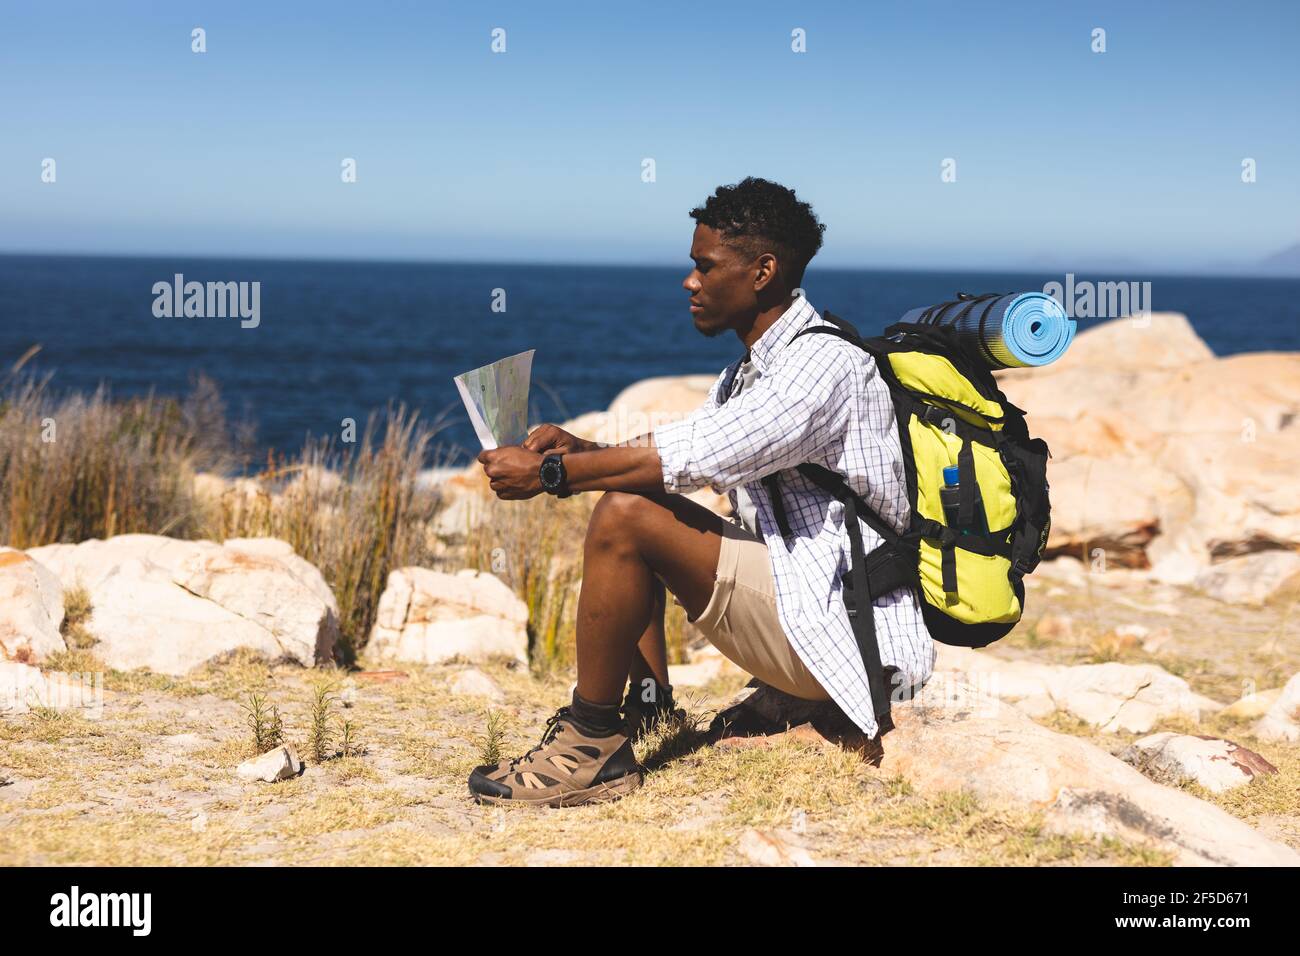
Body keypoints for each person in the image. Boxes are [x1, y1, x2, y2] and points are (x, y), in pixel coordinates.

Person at [470, 177, 933, 807]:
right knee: (640, 506)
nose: (690, 283)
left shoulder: (821, 366)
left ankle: (591, 743)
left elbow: (696, 456)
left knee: (630, 514)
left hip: (848, 637)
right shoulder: (755, 366)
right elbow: (692, 440)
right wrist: (580, 450)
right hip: (811, 600)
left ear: (763, 271)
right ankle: (651, 710)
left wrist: (553, 476)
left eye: (704, 266)